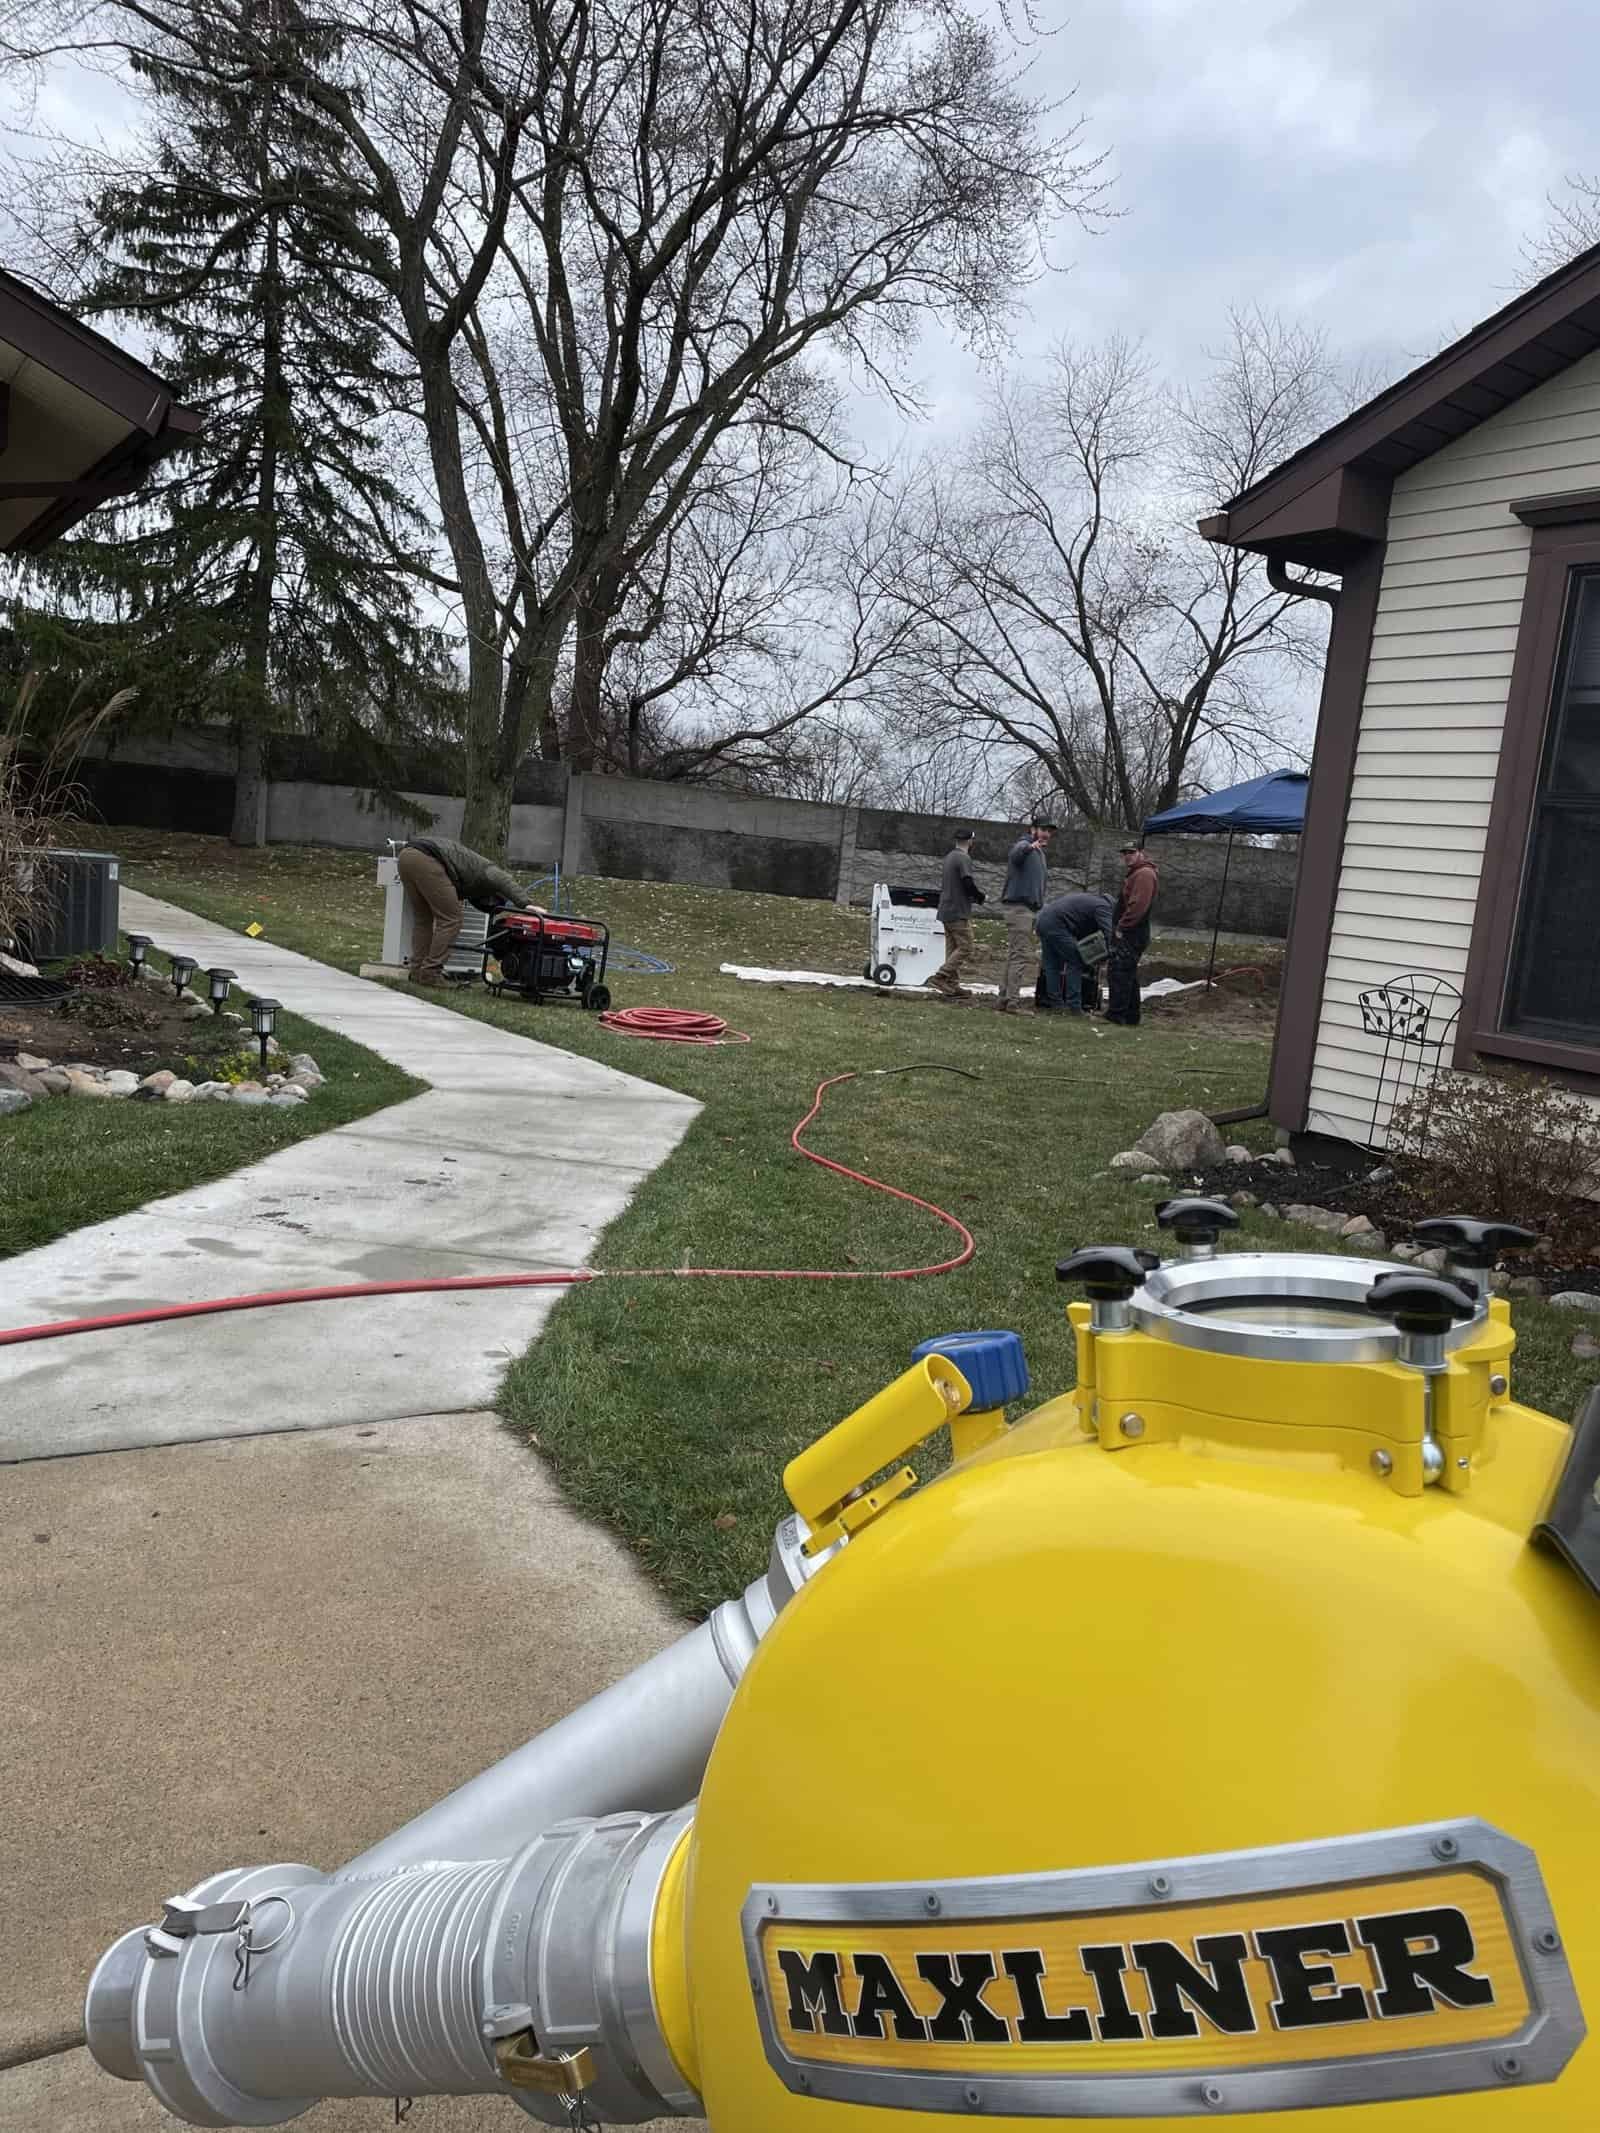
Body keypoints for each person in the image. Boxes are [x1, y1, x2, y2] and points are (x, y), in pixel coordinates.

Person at [397, 833, 545, 987]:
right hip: (427, 859)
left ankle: (417, 971)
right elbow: (504, 879)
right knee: (451, 920)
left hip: (406, 857)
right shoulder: (487, 870)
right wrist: (526, 904)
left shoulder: (471, 874)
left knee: (423, 920)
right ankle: (431, 973)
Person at [995, 818, 1055, 1015]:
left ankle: (1004, 999)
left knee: (1014, 955)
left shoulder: (1039, 852)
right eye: (1043, 829)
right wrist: (1030, 847)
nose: (1047, 834)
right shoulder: (1024, 845)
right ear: (1033, 829)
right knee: (1020, 956)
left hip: (1027, 910)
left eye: (1049, 831)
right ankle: (1013, 1003)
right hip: (1019, 909)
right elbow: (1016, 855)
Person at [1034, 888, 1114, 1015]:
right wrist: (1112, 952)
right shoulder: (1104, 907)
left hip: (1042, 920)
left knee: (1052, 966)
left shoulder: (1091, 901)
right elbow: (1109, 933)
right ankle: (1074, 1006)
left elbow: (1081, 929)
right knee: (1075, 961)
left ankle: (1056, 1004)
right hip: (1057, 924)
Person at [1106, 841, 1160, 1026]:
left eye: (1131, 852)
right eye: (1124, 853)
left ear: (1141, 852)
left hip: (1131, 932)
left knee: (1119, 972)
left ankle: (1116, 1015)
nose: (1127, 856)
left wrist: (1122, 927)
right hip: (1133, 931)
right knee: (1127, 973)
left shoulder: (1144, 874)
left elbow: (1138, 906)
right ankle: (1130, 1016)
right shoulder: (1138, 873)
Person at [928, 828, 985, 997]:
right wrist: (979, 896)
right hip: (957, 910)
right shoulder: (963, 858)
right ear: (970, 841)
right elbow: (967, 882)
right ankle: (940, 976)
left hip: (945, 909)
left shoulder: (950, 857)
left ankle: (952, 985)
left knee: (952, 948)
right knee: (966, 946)